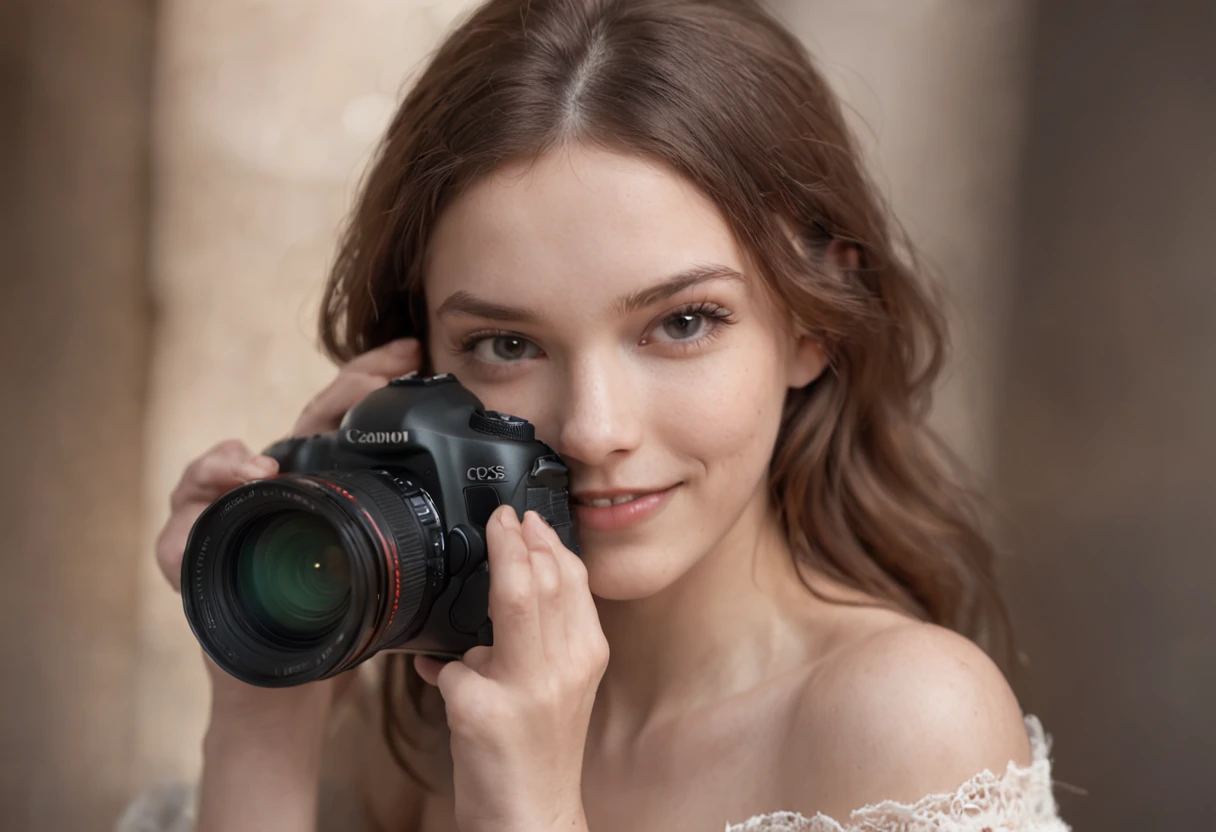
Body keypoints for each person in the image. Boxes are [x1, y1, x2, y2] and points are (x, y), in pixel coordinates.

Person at [117, 0, 1071, 830]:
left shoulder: (902, 721)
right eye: (506, 344)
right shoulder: (416, 721)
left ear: (811, 324)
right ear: (418, 363)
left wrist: (528, 809)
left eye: (683, 323)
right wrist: (262, 696)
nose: (592, 430)